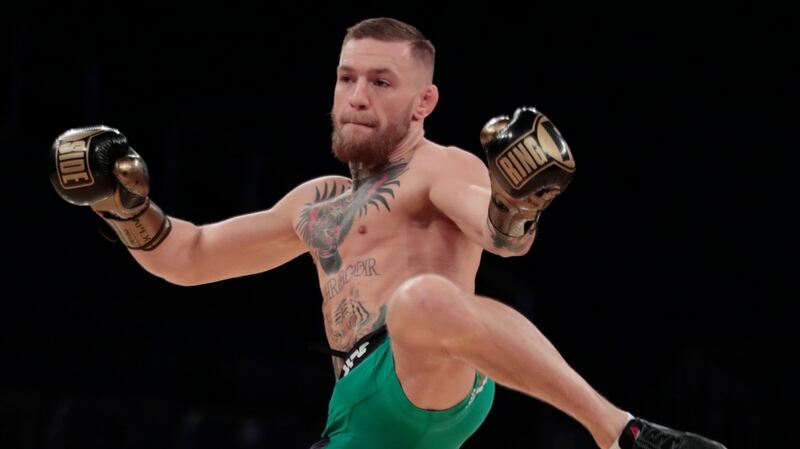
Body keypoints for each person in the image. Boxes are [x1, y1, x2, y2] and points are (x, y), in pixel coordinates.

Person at [49, 17, 727, 449]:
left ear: (423, 102)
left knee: (422, 301)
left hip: (427, 379)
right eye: (347, 79)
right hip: (356, 417)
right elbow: (188, 256)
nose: (358, 96)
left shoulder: (441, 167)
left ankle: (621, 432)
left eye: (381, 80)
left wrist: (516, 205)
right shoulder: (315, 202)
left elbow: (499, 234)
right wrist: (123, 206)